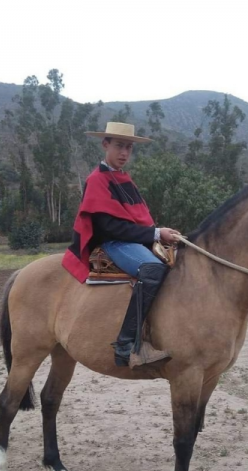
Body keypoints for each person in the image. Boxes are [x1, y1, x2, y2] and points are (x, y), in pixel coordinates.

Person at [62, 122, 181, 369]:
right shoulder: (97, 180)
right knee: (153, 270)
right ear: (105, 144)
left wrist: (158, 235)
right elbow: (109, 228)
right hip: (115, 242)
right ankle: (126, 345)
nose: (124, 153)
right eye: (119, 146)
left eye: (128, 147)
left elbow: (138, 218)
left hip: (134, 239)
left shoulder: (124, 178)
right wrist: (156, 233)